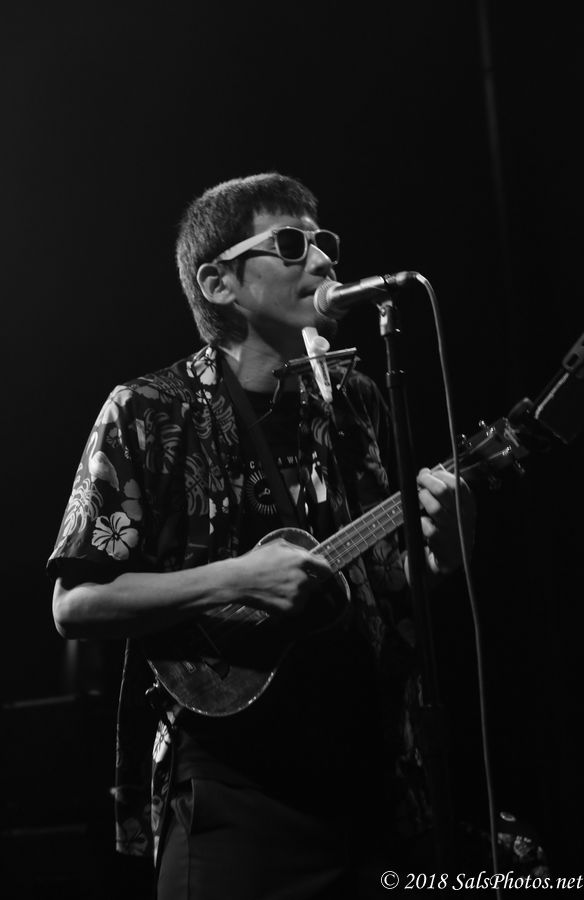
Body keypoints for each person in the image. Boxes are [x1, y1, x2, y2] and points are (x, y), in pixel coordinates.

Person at [49, 172, 476, 899]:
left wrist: (442, 555)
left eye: (325, 241)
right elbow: (75, 604)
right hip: (231, 797)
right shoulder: (148, 410)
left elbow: (382, 586)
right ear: (219, 284)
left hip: (371, 779)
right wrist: (237, 577)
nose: (325, 259)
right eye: (292, 244)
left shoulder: (355, 401)